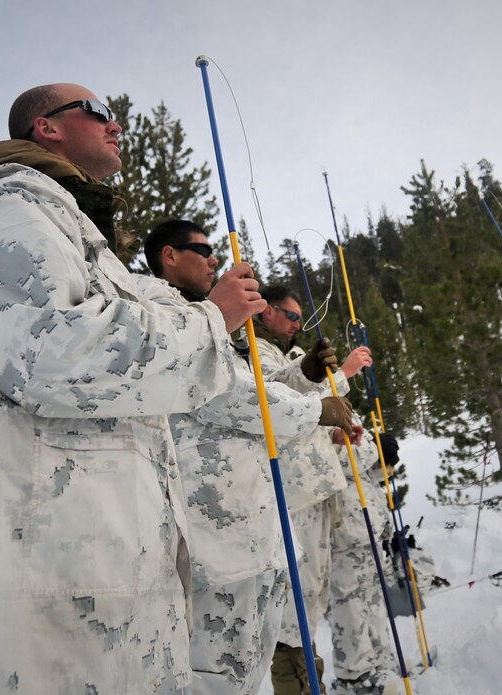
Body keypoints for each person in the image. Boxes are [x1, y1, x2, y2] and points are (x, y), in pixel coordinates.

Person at [0, 84, 266, 694]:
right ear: (47, 127)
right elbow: (53, 349)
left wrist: (210, 311)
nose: (118, 126)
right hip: (43, 563)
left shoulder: (75, 230)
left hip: (102, 557)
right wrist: (210, 321)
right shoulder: (5, 203)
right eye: (101, 113)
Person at [142, 220, 354, 694]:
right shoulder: (164, 313)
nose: (215, 259)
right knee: (214, 674)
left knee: (248, 668)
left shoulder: (210, 322)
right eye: (203, 250)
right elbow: (226, 394)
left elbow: (258, 388)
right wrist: (314, 408)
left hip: (253, 521)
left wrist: (305, 375)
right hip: (213, 527)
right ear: (169, 256)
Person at [252, 286, 372, 695]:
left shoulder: (288, 354)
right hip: (294, 497)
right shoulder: (255, 350)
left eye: (300, 318)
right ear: (266, 312)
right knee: (295, 604)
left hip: (317, 489)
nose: (297, 324)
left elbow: (303, 419)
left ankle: (312, 677)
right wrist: (344, 373)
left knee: (314, 595)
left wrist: (335, 437)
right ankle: (298, 683)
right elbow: (276, 400)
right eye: (290, 315)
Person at [327, 420, 399, 695]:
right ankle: (354, 677)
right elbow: (339, 460)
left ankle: (380, 664)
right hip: (345, 527)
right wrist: (373, 447)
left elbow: (365, 472)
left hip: (367, 524)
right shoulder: (318, 400)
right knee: (350, 603)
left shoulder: (344, 404)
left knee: (373, 600)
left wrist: (382, 458)